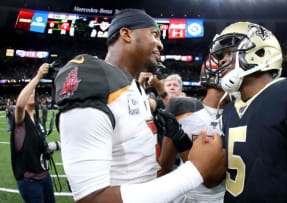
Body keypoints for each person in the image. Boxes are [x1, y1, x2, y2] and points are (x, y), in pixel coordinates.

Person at [55, 9, 223, 203]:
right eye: (154, 34)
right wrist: (195, 170)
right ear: (126, 34)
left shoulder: (135, 87)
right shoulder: (97, 81)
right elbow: (91, 199)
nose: (161, 44)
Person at [203, 22, 287, 203]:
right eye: (221, 55)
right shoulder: (230, 110)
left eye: (229, 52)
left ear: (260, 52)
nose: (222, 60)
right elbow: (214, 179)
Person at [165, 59, 227, 202]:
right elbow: (164, 164)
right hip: (184, 194)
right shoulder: (181, 107)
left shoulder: (237, 114)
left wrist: (181, 140)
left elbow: (212, 180)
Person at [10, 63, 56, 203]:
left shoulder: (37, 121)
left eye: (33, 92)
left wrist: (47, 152)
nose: (32, 93)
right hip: (30, 180)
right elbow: (19, 105)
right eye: (29, 92)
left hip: (44, 176)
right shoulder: (21, 118)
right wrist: (38, 76)